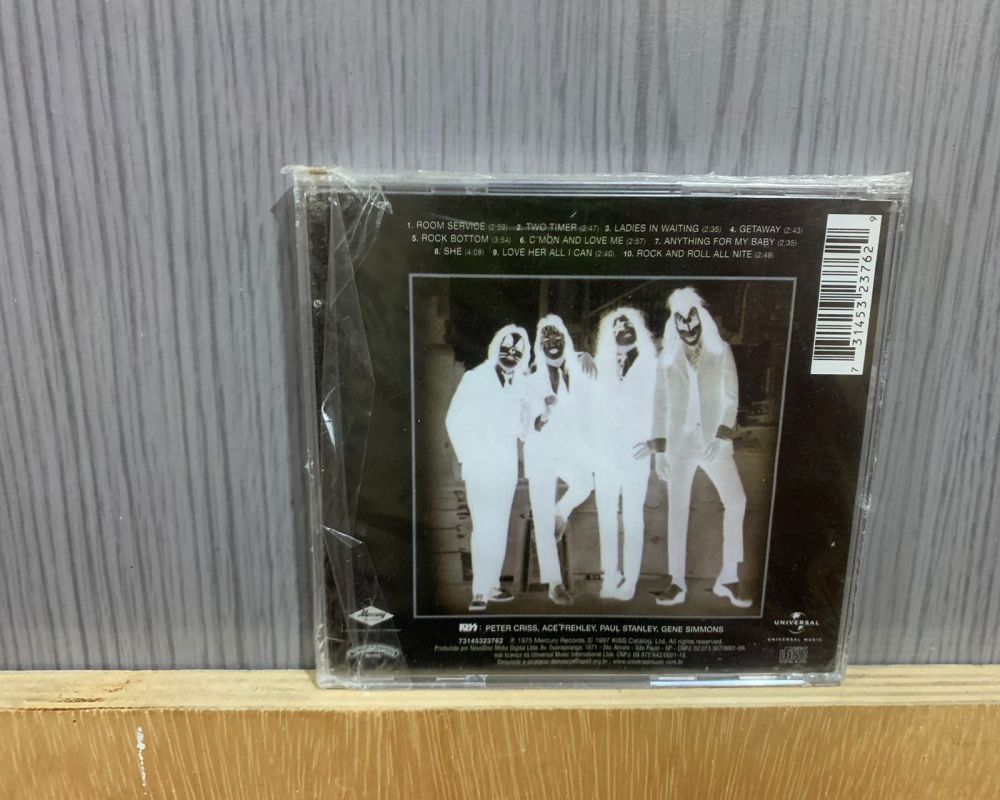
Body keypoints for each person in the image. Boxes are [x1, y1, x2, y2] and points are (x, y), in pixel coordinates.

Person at [647, 287, 751, 609]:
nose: (689, 329)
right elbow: (660, 406)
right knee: (677, 509)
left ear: (701, 319)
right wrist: (660, 453)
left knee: (737, 500)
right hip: (679, 445)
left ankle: (728, 577)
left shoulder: (721, 352)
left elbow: (731, 399)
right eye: (682, 324)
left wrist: (721, 437)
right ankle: (676, 582)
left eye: (693, 322)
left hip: (713, 442)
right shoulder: (667, 360)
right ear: (675, 325)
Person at [445, 324, 531, 612]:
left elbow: (524, 428)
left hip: (505, 463)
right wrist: (469, 457)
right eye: (507, 347)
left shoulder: (521, 383)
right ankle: (479, 591)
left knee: (499, 525)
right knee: (483, 526)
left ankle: (492, 584)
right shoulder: (475, 378)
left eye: (517, 350)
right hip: (480, 462)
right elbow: (454, 419)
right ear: (496, 347)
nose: (511, 353)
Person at [523, 314, 595, 606]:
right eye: (546, 339)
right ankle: (555, 584)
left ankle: (561, 513)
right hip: (540, 451)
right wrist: (543, 414)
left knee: (584, 484)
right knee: (541, 515)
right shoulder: (530, 378)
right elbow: (526, 424)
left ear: (566, 339)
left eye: (557, 337)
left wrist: (588, 354)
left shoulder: (578, 366)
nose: (552, 343)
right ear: (539, 345)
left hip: (566, 450)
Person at [591, 307, 658, 601]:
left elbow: (662, 405)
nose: (622, 330)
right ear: (609, 334)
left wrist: (655, 443)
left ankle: (630, 579)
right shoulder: (599, 364)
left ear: (638, 329)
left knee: (632, 516)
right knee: (606, 516)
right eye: (616, 327)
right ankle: (610, 575)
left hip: (636, 450)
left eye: (628, 325)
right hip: (605, 451)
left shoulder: (651, 364)